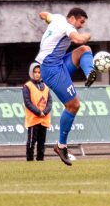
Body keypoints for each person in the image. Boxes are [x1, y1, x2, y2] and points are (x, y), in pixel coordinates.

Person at [35, 8, 97, 166]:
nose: (81, 26)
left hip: (58, 63)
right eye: (81, 22)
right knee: (73, 105)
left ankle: (90, 73)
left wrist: (46, 18)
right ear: (72, 19)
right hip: (51, 69)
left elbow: (43, 14)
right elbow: (78, 39)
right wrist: (87, 35)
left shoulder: (56, 18)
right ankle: (61, 146)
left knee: (85, 50)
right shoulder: (66, 26)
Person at [23, 63, 52, 162]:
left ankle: (40, 161)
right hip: (33, 119)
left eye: (39, 72)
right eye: (35, 72)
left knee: (41, 143)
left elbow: (49, 102)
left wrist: (45, 111)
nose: (37, 74)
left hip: (44, 119)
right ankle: (30, 161)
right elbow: (27, 102)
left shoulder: (46, 87)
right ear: (31, 73)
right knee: (31, 142)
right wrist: (39, 112)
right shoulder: (27, 86)